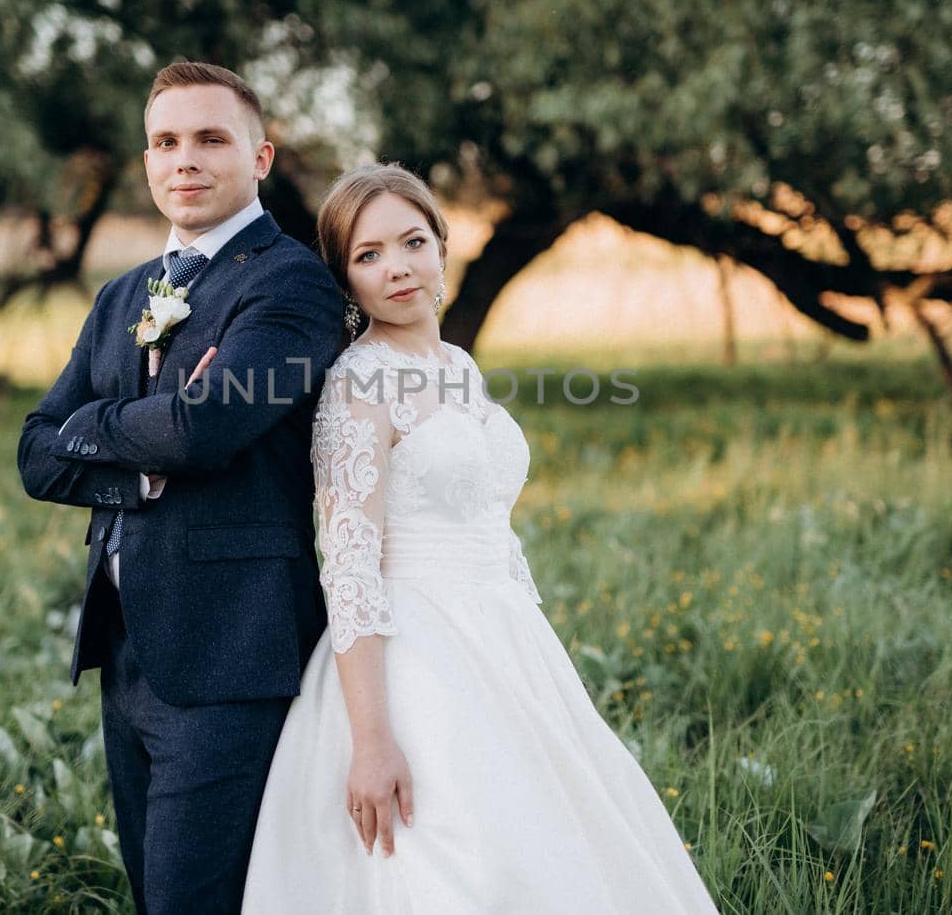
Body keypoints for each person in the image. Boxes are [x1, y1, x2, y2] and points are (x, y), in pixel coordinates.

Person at [240, 163, 722, 913]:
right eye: (368, 255)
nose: (396, 267)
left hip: (503, 637)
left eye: (412, 241)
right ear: (346, 278)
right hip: (411, 658)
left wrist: (535, 651)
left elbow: (492, 529)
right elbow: (351, 567)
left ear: (442, 247)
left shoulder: (457, 367)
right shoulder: (360, 384)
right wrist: (372, 742)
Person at [16, 61, 344, 914]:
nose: (183, 160)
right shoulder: (125, 293)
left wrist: (118, 427)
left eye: (210, 139)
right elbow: (37, 453)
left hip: (231, 650)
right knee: (151, 891)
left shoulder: (293, 285)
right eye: (165, 141)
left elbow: (208, 429)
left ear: (261, 157)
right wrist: (152, 434)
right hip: (127, 652)